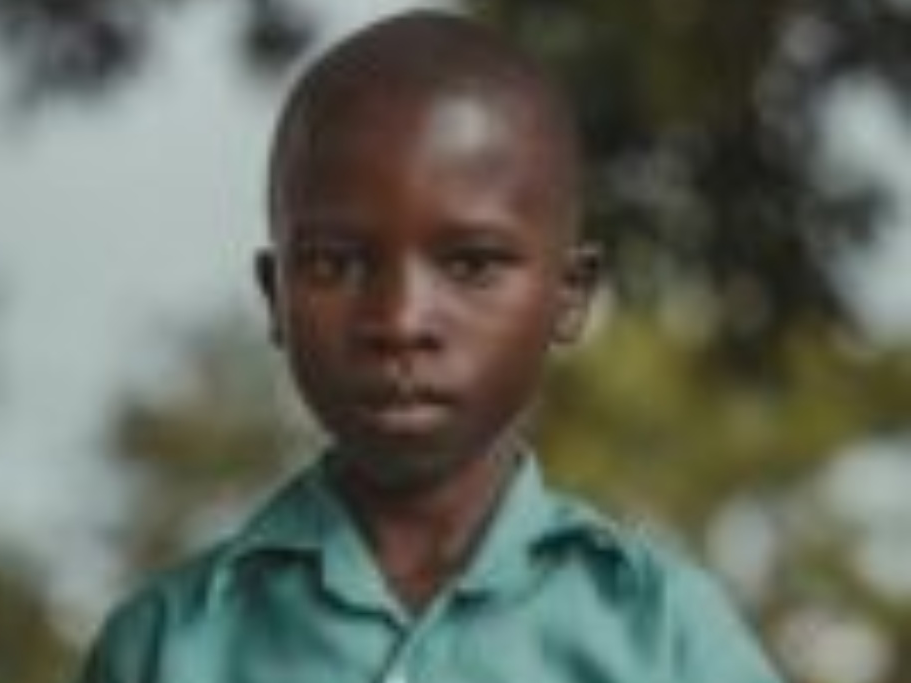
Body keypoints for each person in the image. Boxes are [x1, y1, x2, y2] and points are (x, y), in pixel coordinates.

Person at [75, 10, 784, 683]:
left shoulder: (667, 635)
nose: (400, 320)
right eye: (334, 264)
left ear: (569, 294)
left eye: (472, 264)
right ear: (275, 295)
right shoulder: (164, 646)